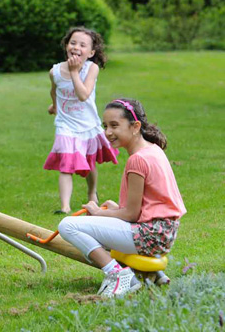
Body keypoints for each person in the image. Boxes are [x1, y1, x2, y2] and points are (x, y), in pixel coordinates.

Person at [58, 98, 186, 298]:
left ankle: (117, 275)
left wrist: (99, 213)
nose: (108, 132)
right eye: (105, 126)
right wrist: (115, 208)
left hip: (149, 236)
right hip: (164, 233)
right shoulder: (153, 150)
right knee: (96, 226)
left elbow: (132, 214)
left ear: (135, 126)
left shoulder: (138, 160)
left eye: (114, 125)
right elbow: (149, 205)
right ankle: (152, 273)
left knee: (68, 226)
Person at [43, 26, 118, 214]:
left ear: (91, 52)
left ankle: (92, 193)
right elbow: (54, 91)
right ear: (66, 46)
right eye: (73, 42)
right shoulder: (55, 71)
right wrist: (54, 106)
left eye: (83, 45)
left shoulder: (91, 69)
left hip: (87, 125)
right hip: (65, 125)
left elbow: (84, 95)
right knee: (66, 165)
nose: (76, 47)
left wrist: (75, 72)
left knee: (88, 163)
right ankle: (65, 206)